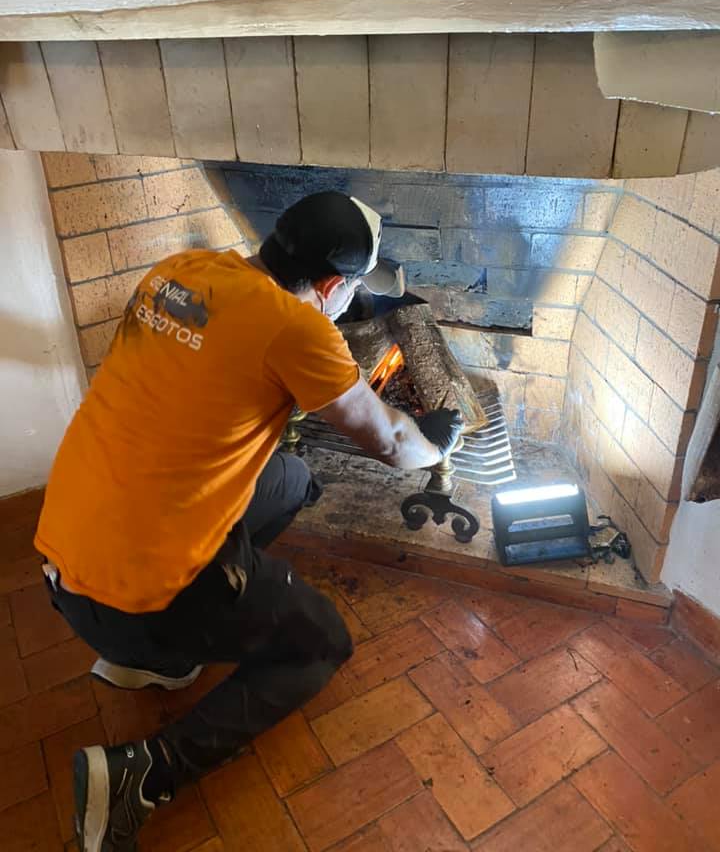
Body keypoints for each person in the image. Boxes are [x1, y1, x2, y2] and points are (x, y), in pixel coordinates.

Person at [34, 191, 463, 851]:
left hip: (63, 564)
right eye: (353, 288)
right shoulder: (297, 331)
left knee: (290, 479)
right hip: (134, 598)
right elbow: (392, 442)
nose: (355, 299)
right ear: (330, 287)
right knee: (322, 642)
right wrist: (436, 440)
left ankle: (153, 659)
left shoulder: (181, 272)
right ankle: (142, 774)